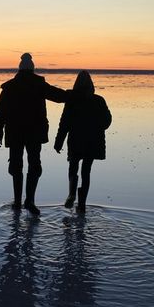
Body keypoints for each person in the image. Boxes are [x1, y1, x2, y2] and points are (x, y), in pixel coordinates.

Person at [0, 53, 67, 215]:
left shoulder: (10, 87)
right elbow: (59, 96)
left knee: (16, 166)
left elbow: (0, 112)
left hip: (15, 133)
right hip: (34, 132)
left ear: (20, 69)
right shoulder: (38, 84)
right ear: (32, 69)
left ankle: (19, 202)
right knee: (34, 166)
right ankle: (29, 201)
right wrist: (78, 94)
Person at [54, 71, 112, 213]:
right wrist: (96, 127)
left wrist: (59, 141)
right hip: (92, 141)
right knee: (86, 171)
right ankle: (82, 204)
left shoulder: (72, 100)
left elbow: (64, 123)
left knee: (73, 166)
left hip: (76, 139)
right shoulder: (99, 100)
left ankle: (71, 193)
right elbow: (107, 121)